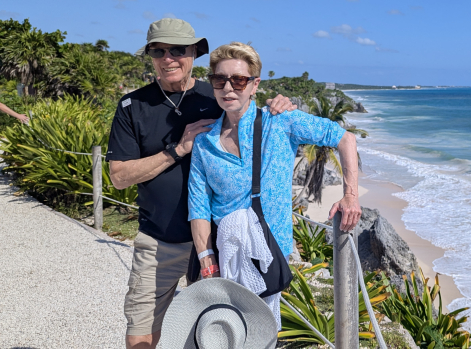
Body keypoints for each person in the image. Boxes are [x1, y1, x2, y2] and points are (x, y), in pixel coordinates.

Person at [107, 19, 295, 349]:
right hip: (159, 242)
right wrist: (177, 150)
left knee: (219, 334)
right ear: (150, 56)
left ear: (194, 53)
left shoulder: (219, 94)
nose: (168, 58)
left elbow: (261, 123)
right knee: (141, 334)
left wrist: (283, 106)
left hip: (222, 243)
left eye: (177, 50)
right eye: (158, 51)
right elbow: (119, 177)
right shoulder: (132, 106)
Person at [187, 42, 362, 327]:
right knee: (221, 333)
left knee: (260, 332)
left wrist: (350, 196)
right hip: (222, 255)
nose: (228, 87)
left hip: (268, 254)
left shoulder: (279, 122)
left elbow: (344, 138)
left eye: (238, 80)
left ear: (254, 85)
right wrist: (207, 260)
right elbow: (199, 205)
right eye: (220, 80)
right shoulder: (204, 142)